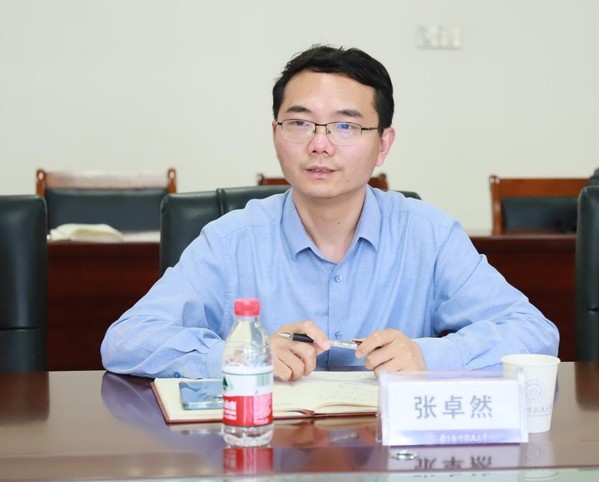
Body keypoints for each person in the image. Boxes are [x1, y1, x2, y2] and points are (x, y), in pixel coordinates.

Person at [101, 44, 559, 381]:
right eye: (300, 123)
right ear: (276, 134)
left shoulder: (429, 235)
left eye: (345, 125)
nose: (320, 144)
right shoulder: (231, 240)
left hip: (386, 456)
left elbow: (534, 333)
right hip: (264, 452)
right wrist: (237, 355)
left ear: (383, 144)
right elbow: (126, 340)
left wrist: (427, 357)